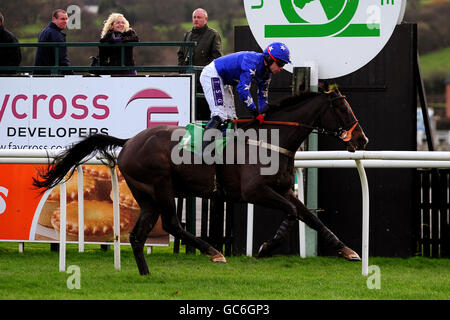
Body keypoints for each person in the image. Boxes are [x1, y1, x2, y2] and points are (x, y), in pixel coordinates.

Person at [200, 42, 291, 140]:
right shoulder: (251, 62)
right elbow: (242, 90)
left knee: (232, 118)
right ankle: (204, 152)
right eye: (280, 63)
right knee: (219, 115)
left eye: (284, 64)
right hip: (213, 74)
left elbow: (262, 97)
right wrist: (255, 113)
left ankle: (225, 148)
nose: (281, 68)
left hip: (224, 80)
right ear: (269, 59)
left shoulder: (267, 74)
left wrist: (264, 115)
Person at [178, 8, 222, 120]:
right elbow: (180, 54)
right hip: (188, 81)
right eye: (194, 17)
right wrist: (182, 71)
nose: (196, 20)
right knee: (189, 113)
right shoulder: (187, 35)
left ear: (206, 19)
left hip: (204, 82)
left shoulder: (213, 35)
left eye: (199, 17)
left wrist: (204, 72)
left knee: (204, 113)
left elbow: (216, 57)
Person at [34, 9, 73, 75]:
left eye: (66, 19)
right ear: (54, 19)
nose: (65, 21)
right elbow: (62, 59)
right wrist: (72, 76)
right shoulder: (56, 35)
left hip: (39, 74)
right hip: (49, 76)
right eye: (62, 19)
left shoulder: (45, 31)